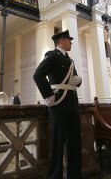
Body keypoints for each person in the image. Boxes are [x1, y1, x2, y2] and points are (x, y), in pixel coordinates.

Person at [33, 30, 82, 179]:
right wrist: (48, 95)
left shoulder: (70, 60)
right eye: (69, 40)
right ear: (61, 41)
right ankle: (55, 176)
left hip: (72, 105)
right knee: (57, 145)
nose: (71, 42)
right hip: (58, 106)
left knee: (74, 144)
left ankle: (75, 175)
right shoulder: (52, 56)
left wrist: (79, 80)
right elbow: (38, 75)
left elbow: (72, 79)